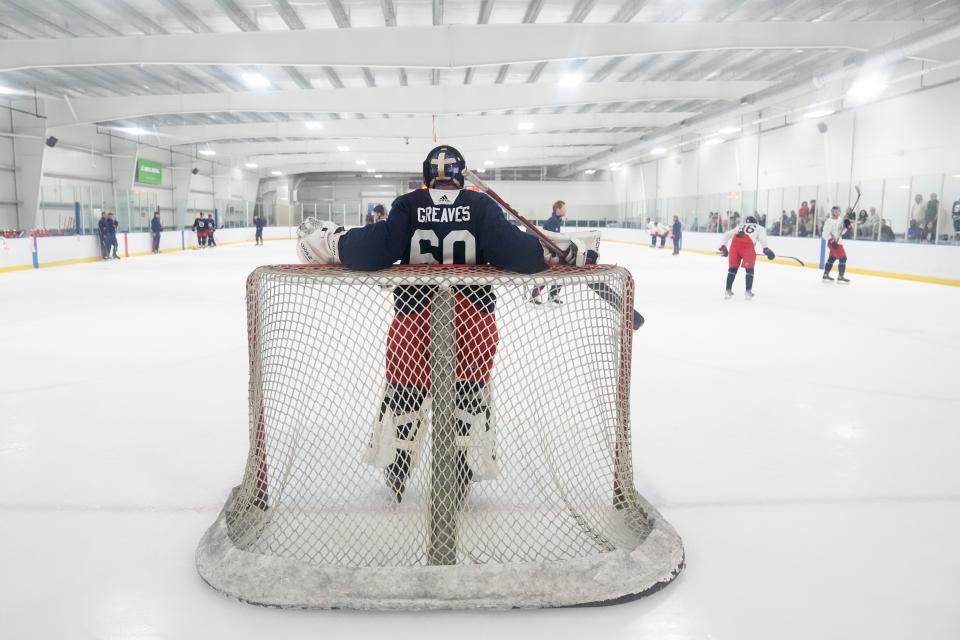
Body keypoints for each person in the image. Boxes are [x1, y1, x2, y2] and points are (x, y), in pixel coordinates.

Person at [296, 145, 599, 504]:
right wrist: (551, 253)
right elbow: (514, 252)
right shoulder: (481, 205)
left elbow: (375, 249)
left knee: (404, 395)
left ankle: (398, 465)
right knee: (469, 397)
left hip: (414, 317)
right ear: (461, 174)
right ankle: (462, 471)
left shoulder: (408, 204)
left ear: (427, 175)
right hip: (474, 318)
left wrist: (339, 242)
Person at [718, 215, 775, 299]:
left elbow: (726, 234)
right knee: (749, 270)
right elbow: (762, 237)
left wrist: (723, 246)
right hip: (747, 247)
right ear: (756, 222)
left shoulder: (740, 226)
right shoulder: (760, 227)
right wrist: (765, 249)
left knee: (732, 270)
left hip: (735, 246)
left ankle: (728, 290)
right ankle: (748, 292)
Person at [531, 200, 566, 304]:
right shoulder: (553, 222)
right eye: (564, 208)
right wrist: (555, 254)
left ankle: (552, 295)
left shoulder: (555, 221)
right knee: (547, 273)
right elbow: (551, 240)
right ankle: (535, 296)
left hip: (550, 253)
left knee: (558, 272)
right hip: (547, 253)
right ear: (558, 209)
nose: (565, 210)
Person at [822, 206, 850, 283]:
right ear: (832, 212)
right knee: (843, 258)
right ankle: (841, 276)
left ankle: (825, 274)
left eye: (838, 211)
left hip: (839, 242)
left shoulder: (841, 220)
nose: (837, 212)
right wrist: (831, 241)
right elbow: (824, 233)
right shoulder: (828, 221)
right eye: (836, 211)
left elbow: (842, 232)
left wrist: (846, 226)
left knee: (832, 258)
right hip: (832, 243)